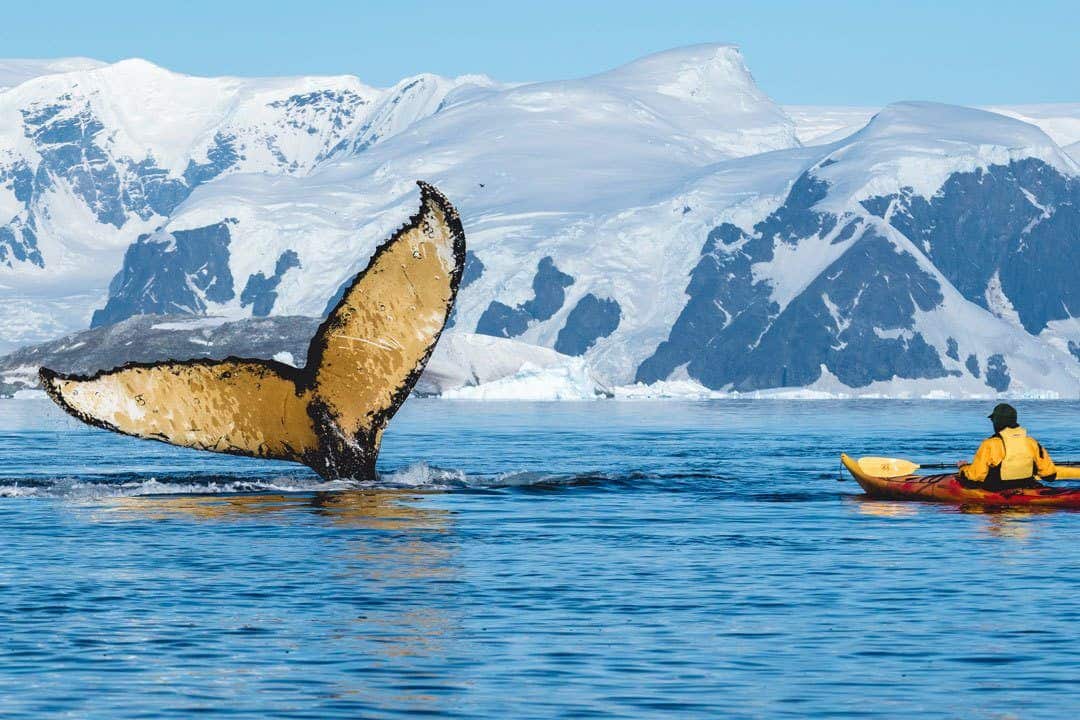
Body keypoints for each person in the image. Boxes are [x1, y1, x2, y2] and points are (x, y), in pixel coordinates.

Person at [958, 403, 1056, 489]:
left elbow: (976, 478)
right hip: (1027, 486)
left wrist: (963, 468)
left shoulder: (990, 444)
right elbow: (1049, 475)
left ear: (996, 422)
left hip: (997, 490)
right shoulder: (1031, 442)